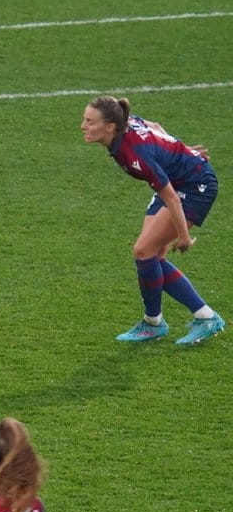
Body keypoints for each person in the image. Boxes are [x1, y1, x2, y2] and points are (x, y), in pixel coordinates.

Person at [82, 96, 223, 345]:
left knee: (144, 250)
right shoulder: (126, 123)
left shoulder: (133, 155)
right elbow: (156, 126)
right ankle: (198, 317)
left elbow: (173, 199)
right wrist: (183, 152)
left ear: (110, 127)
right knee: (152, 256)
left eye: (90, 122)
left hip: (194, 186)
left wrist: (184, 237)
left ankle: (155, 322)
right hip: (176, 180)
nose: (84, 126)